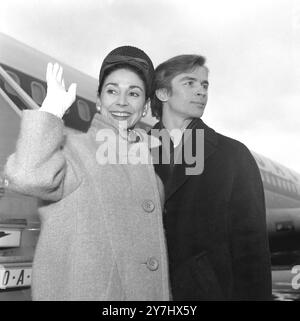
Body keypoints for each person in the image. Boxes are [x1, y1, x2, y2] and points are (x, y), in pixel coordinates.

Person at [3, 46, 170, 301]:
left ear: (145, 106)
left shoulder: (153, 179)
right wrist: (50, 112)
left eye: (133, 93)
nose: (122, 101)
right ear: (99, 99)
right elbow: (26, 175)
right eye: (112, 90)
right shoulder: (73, 152)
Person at [150, 54, 272, 300]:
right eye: (190, 83)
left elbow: (252, 251)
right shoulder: (134, 154)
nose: (201, 91)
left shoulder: (233, 155)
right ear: (163, 93)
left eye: (205, 85)